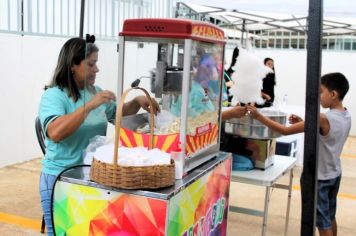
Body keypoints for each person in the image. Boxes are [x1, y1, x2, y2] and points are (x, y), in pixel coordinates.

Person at [38, 37, 159, 235]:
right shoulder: (54, 95)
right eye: (91, 64)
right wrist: (90, 105)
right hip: (61, 178)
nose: (97, 69)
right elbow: (55, 132)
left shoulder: (95, 92)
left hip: (90, 177)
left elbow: (117, 113)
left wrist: (136, 101)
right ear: (72, 66)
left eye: (97, 63)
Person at [247, 72, 351, 236]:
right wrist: (304, 122)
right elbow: (326, 132)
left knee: (322, 224)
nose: (318, 96)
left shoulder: (323, 118)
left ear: (333, 94)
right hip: (334, 174)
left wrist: (259, 116)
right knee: (330, 217)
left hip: (319, 178)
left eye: (321, 92)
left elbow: (284, 130)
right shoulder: (346, 115)